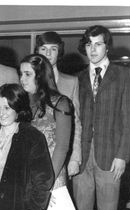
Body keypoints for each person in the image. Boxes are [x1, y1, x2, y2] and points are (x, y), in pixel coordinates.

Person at [69, 25, 130, 210]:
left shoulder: (124, 75)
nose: (92, 49)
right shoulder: (78, 78)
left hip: (111, 156)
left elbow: (129, 119)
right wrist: (74, 156)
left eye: (98, 44)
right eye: (88, 44)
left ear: (107, 46)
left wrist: (122, 155)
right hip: (82, 157)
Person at [20, 54, 72, 210]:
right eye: (21, 74)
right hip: (26, 180)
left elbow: (62, 148)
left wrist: (45, 183)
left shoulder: (61, 103)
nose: (22, 79)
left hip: (52, 181)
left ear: (40, 76)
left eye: (27, 74)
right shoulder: (21, 105)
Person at [35, 31, 82, 177]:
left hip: (61, 153)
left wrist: (75, 156)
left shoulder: (71, 82)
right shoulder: (27, 80)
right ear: (37, 52)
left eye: (53, 49)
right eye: (43, 49)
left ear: (59, 52)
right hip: (34, 152)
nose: (48, 53)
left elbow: (76, 122)